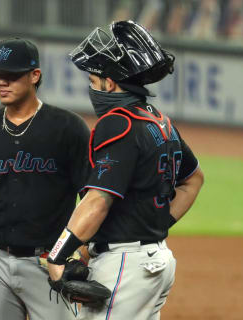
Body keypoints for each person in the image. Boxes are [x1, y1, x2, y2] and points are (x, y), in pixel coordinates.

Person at [47, 21, 205, 320]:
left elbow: (98, 201)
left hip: (125, 265)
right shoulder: (159, 121)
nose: (92, 87)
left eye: (94, 79)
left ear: (110, 83)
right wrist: (154, 226)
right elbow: (193, 180)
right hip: (156, 260)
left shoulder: (118, 123)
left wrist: (57, 255)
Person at [0, 38, 91, 320]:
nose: (2, 82)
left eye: (12, 75)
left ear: (34, 75)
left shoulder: (67, 128)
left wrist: (83, 253)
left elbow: (91, 196)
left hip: (48, 259)